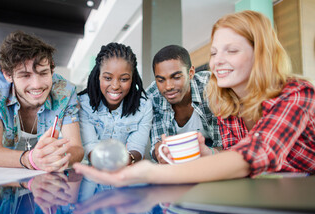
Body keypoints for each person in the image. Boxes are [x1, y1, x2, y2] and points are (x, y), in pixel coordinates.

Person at [73, 10, 315, 186]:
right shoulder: (228, 102)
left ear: (261, 54)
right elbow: (232, 157)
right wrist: (208, 154)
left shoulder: (297, 95)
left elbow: (253, 156)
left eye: (231, 50)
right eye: (214, 52)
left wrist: (149, 174)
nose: (217, 60)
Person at [0, 31, 84, 172]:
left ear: (52, 69)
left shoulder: (65, 91)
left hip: (39, 172)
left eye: (43, 73)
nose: (36, 85)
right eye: (25, 75)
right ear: (8, 75)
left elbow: (77, 148)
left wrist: (57, 159)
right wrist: (31, 159)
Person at [78, 42, 152, 164]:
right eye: (108, 78)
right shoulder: (83, 103)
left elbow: (137, 146)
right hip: (91, 172)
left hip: (125, 171)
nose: (115, 86)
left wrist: (125, 160)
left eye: (124, 79)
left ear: (132, 79)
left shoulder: (144, 106)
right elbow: (89, 144)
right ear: (98, 76)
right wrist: (105, 163)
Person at [147, 45, 222, 163]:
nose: (168, 86)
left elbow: (226, 145)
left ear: (191, 73)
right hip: (177, 156)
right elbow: (157, 147)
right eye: (161, 80)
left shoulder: (212, 87)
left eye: (176, 77)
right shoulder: (152, 97)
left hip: (212, 151)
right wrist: (158, 153)